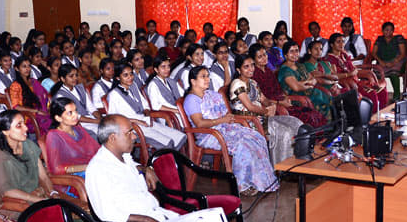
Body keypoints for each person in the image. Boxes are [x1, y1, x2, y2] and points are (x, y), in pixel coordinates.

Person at [182, 67, 278, 195]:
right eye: (203, 76)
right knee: (243, 145)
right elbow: (200, 123)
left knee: (255, 137)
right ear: (193, 81)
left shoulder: (211, 95)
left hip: (223, 129)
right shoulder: (191, 100)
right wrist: (222, 120)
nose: (207, 79)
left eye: (208, 76)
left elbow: (225, 115)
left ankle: (261, 181)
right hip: (208, 135)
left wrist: (228, 120)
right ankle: (243, 185)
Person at [85, 115, 177, 222]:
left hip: (157, 215)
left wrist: (147, 169)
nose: (134, 137)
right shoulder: (98, 169)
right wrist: (147, 220)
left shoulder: (123, 157)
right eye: (129, 133)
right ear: (112, 138)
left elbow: (132, 167)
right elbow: (107, 214)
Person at [229, 55, 303, 163]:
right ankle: (280, 167)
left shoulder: (253, 83)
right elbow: (250, 107)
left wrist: (271, 105)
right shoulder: (237, 84)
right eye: (246, 67)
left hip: (261, 117)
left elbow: (264, 99)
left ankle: (296, 163)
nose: (251, 69)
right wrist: (266, 111)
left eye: (252, 65)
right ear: (238, 70)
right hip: (248, 121)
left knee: (295, 123)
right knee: (284, 132)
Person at [0, 110, 67, 208]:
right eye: (19, 126)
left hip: (39, 196)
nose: (25, 128)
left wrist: (52, 192)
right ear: (5, 131)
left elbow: (43, 176)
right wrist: (39, 200)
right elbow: (7, 191)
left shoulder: (28, 145)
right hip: (19, 205)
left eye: (24, 124)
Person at [108, 63, 186, 151]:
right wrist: (136, 121)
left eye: (131, 74)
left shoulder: (133, 86)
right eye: (125, 75)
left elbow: (144, 103)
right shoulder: (114, 95)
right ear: (118, 78)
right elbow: (113, 119)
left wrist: (147, 113)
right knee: (167, 142)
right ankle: (165, 162)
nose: (130, 77)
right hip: (132, 128)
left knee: (180, 137)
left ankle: (173, 160)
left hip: (145, 120)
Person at [325, 33, 389, 112]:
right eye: (338, 42)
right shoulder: (329, 59)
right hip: (345, 84)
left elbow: (352, 68)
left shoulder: (343, 54)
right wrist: (350, 74)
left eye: (343, 41)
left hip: (355, 80)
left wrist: (367, 74)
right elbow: (334, 76)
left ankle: (382, 114)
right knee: (371, 93)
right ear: (331, 44)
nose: (341, 44)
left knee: (382, 91)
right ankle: (372, 118)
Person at [278, 41, 332, 121]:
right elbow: (296, 87)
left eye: (296, 51)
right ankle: (324, 127)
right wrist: (309, 83)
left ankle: (333, 126)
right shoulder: (285, 70)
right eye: (291, 51)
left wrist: (306, 83)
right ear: (285, 55)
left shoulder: (300, 65)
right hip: (295, 97)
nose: (295, 54)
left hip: (310, 92)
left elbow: (312, 79)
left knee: (328, 96)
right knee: (320, 100)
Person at [45, 98, 100, 176]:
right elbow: (56, 168)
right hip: (75, 177)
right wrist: (87, 167)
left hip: (92, 167)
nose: (76, 115)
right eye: (70, 113)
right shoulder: (54, 136)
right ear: (58, 118)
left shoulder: (78, 129)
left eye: (75, 111)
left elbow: (96, 149)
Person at [49, 64, 101, 136]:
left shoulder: (80, 88)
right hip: (76, 123)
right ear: (63, 79)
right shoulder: (60, 95)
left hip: (90, 118)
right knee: (100, 132)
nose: (75, 78)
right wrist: (95, 121)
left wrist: (100, 118)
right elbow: (76, 116)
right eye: (71, 76)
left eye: (76, 75)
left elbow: (90, 106)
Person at [8, 56, 52, 134]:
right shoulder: (15, 86)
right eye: (24, 66)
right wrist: (36, 111)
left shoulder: (34, 82)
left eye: (29, 66)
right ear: (17, 68)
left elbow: (45, 96)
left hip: (41, 111)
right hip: (28, 116)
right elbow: (16, 106)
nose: (27, 69)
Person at [371, 21, 407, 99]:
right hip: (382, 61)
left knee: (393, 73)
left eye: (391, 30)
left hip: (397, 61)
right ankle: (380, 95)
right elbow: (374, 53)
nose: (389, 32)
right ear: (382, 31)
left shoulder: (398, 38)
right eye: (386, 30)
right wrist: (381, 61)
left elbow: (403, 54)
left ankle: (397, 96)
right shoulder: (379, 39)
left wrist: (393, 62)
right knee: (376, 74)